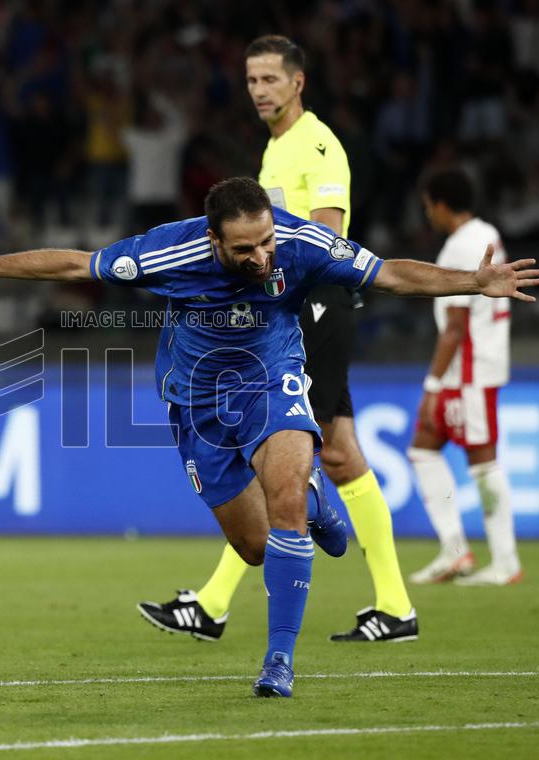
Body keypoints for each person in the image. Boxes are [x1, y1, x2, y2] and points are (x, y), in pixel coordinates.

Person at [0, 177, 539, 697]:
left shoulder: (300, 243)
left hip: (274, 382)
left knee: (285, 498)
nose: (262, 258)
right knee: (258, 544)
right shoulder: (168, 253)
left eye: (266, 241)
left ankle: (278, 662)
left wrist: (473, 283)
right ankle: (318, 501)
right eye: (244, 250)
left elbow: (391, 275)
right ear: (213, 240)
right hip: (197, 406)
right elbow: (76, 262)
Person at [140, 34, 419, 644]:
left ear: (298, 82)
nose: (259, 90)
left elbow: (322, 238)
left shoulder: (317, 145)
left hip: (311, 308)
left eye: (270, 79)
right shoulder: (275, 151)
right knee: (335, 450)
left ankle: (216, 603)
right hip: (289, 311)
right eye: (250, 80)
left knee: (297, 457)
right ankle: (392, 605)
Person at [408, 167, 522, 586]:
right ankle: (455, 551)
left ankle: (504, 561)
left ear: (439, 203)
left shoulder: (459, 246)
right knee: (423, 447)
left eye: (427, 206)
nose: (427, 215)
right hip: (480, 366)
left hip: (468, 372)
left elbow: (455, 325)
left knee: (483, 462)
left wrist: (432, 385)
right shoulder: (487, 232)